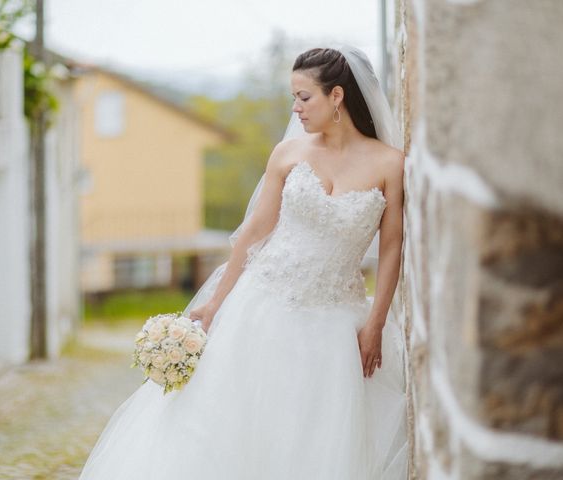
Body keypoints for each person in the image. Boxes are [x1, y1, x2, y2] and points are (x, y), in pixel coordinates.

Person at [78, 45, 408, 480]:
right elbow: (254, 233)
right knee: (232, 420)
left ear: (337, 97)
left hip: (334, 323)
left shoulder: (390, 164)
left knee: (313, 430)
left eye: (304, 97)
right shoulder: (288, 155)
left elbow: (391, 249)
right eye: (294, 97)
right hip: (262, 305)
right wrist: (215, 302)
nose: (296, 108)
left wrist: (376, 323)